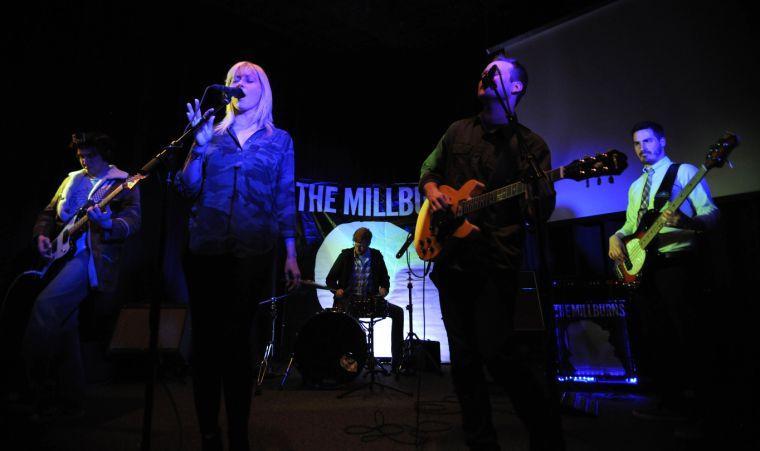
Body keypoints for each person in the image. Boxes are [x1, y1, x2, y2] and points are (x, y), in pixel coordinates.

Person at [419, 54, 564, 450]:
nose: (486, 74)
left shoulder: (531, 146)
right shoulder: (457, 131)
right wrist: (433, 194)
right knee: (464, 361)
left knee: (500, 353)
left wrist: (535, 193)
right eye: (485, 71)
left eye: (496, 71)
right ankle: (481, 442)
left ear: (515, 87)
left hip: (496, 258)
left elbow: (541, 212)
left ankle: (546, 435)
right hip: (452, 260)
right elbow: (428, 172)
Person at [177, 60, 300, 451]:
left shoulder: (279, 140)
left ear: (263, 89)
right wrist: (196, 150)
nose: (239, 83)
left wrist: (291, 253)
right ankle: (209, 435)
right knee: (206, 345)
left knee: (237, 344)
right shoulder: (210, 135)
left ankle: (239, 435)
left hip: (252, 253)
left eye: (248, 79)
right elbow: (186, 189)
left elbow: (285, 197)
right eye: (233, 79)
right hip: (206, 250)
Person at [608, 121, 718, 426]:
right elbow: (631, 227)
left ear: (663, 141)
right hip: (647, 272)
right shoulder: (634, 187)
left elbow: (711, 213)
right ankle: (671, 401)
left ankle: (704, 408)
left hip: (677, 266)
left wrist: (688, 223)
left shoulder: (684, 172)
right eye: (637, 144)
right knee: (657, 337)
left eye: (648, 141)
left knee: (688, 335)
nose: (642, 148)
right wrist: (616, 236)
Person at [25, 132, 141, 419]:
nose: (85, 161)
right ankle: (72, 399)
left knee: (45, 308)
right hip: (62, 255)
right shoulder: (71, 179)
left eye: (91, 156)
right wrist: (41, 235)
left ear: (104, 155)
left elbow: (133, 219)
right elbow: (49, 213)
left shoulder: (121, 182)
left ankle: (35, 392)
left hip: (90, 258)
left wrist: (109, 223)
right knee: (65, 326)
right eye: (81, 156)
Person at [325, 227, 404, 372]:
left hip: (371, 301)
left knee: (398, 313)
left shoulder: (376, 256)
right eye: (357, 244)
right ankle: (352, 360)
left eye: (362, 245)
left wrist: (384, 289)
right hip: (350, 301)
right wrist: (337, 290)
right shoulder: (345, 256)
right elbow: (330, 279)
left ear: (368, 243)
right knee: (347, 321)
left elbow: (385, 279)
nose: (359, 248)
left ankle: (397, 363)